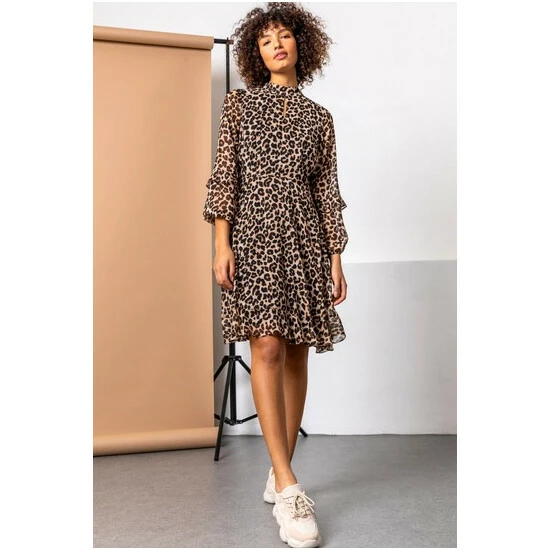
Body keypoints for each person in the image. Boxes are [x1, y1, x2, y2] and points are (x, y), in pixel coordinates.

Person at [202, 3, 348, 547]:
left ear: (300, 45)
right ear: (255, 53)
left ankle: (276, 465)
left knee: (296, 352)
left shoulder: (319, 119)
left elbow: (327, 192)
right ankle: (288, 486)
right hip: (255, 240)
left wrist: (335, 256)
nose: (277, 44)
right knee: (265, 346)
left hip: (306, 242)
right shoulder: (239, 107)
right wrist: (221, 244)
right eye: (266, 40)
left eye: (285, 35)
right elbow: (224, 177)